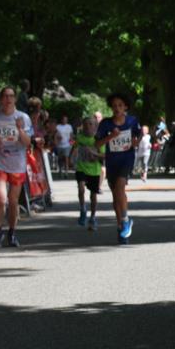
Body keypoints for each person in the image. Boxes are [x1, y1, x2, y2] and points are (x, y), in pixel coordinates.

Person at [0, 86, 32, 248]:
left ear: (15, 99)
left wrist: (19, 129)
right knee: (1, 199)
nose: (8, 99)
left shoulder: (23, 117)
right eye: (5, 96)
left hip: (17, 163)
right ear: (1, 99)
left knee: (13, 201)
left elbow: (27, 143)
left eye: (11, 96)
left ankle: (12, 232)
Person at [95, 93, 141, 244]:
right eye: (114, 105)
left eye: (120, 105)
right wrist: (110, 137)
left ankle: (126, 219)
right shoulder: (106, 124)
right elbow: (97, 144)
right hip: (112, 161)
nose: (117, 108)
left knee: (120, 187)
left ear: (125, 107)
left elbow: (138, 136)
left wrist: (135, 142)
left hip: (126, 159)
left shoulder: (132, 121)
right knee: (116, 196)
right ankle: (121, 227)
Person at [71, 117, 104, 230]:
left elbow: (104, 155)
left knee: (93, 196)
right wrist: (72, 158)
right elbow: (74, 149)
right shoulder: (79, 138)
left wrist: (94, 153)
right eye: (85, 124)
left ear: (95, 127)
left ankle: (93, 216)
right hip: (81, 168)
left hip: (94, 170)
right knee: (81, 189)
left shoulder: (98, 139)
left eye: (90, 124)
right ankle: (83, 210)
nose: (88, 126)